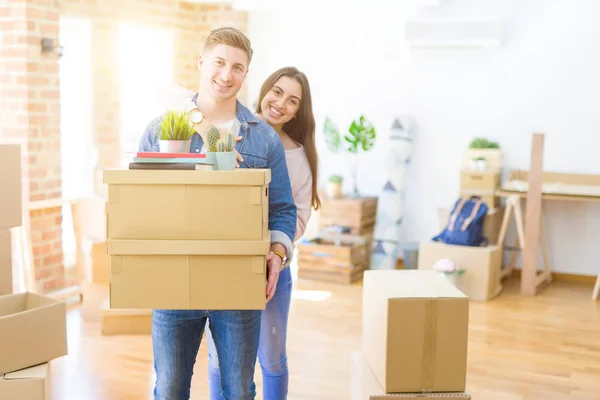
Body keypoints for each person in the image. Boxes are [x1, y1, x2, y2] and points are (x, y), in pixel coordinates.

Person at [137, 27, 297, 400]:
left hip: (238, 287)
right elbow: (140, 198)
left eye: (238, 67)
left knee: (239, 391)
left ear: (246, 74)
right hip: (174, 284)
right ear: (201, 62)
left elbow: (283, 208)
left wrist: (277, 252)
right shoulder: (162, 128)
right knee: (170, 389)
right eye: (220, 62)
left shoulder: (264, 138)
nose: (227, 75)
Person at [207, 66, 320, 400]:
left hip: (274, 268)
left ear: (299, 111)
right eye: (277, 91)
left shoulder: (298, 156)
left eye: (292, 100)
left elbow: (297, 215)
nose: (280, 103)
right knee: (218, 357)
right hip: (227, 264)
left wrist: (276, 251)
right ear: (265, 89)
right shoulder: (229, 132)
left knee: (271, 358)